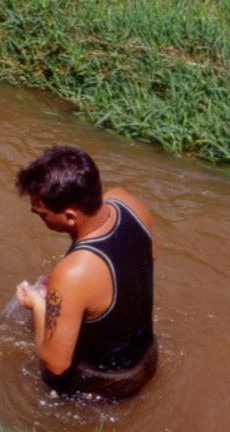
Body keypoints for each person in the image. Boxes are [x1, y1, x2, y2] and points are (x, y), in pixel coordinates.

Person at [14, 145, 158, 399]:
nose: (40, 218)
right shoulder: (128, 202)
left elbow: (56, 363)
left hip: (108, 383)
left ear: (70, 217)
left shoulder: (73, 273)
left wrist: (38, 305)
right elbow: (146, 259)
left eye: (43, 215)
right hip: (148, 358)